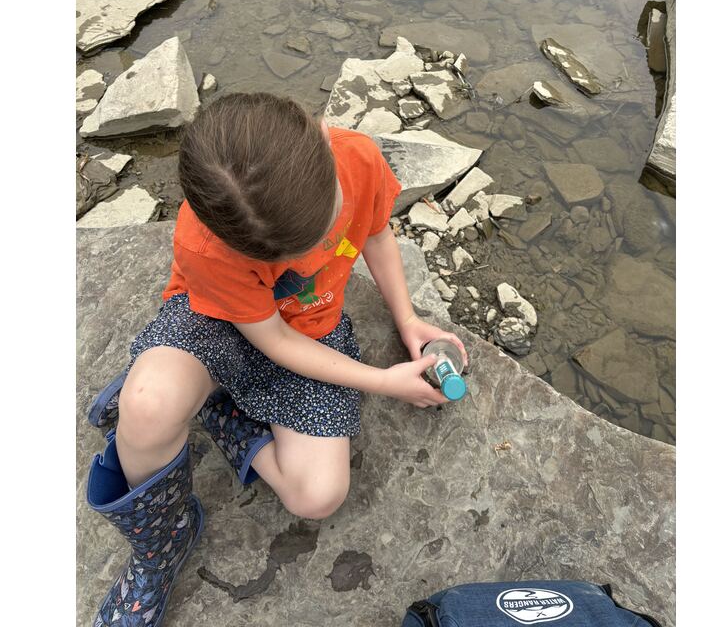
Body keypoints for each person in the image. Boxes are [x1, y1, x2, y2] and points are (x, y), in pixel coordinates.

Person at [84, 92, 468, 627]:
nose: (306, 257)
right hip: (218, 321)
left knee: (317, 496)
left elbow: (377, 231)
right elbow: (273, 340)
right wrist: (385, 381)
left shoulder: (357, 155)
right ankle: (162, 544)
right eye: (285, 254)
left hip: (312, 330)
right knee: (147, 407)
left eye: (320, 232)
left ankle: (223, 414)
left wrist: (407, 318)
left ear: (323, 136)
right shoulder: (204, 242)